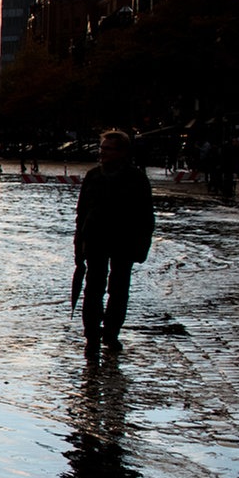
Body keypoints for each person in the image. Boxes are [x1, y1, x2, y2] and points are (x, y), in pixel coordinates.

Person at [73, 129, 154, 356]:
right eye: (102, 148)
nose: (103, 153)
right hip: (96, 239)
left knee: (118, 290)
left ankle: (111, 333)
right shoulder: (93, 176)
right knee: (93, 290)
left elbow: (145, 215)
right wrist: (79, 244)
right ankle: (92, 337)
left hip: (123, 241)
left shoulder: (136, 178)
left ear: (122, 152)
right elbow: (82, 213)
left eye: (108, 149)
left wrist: (142, 246)